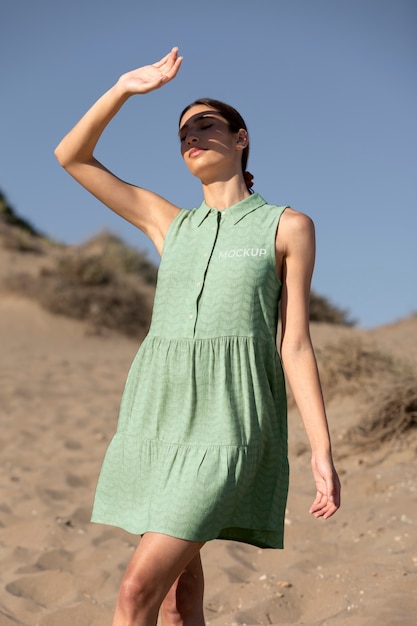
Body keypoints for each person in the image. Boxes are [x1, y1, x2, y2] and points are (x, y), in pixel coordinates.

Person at [55, 47, 341, 626]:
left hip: (230, 419)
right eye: (183, 130)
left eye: (206, 123)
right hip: (158, 414)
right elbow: (72, 157)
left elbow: (295, 345)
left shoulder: (287, 226)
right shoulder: (168, 222)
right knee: (176, 600)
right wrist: (122, 89)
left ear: (241, 139)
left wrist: (323, 454)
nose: (192, 134)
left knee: (135, 590)